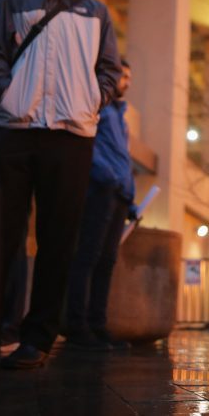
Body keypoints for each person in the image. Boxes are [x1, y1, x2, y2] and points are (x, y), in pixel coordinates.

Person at [0, 0, 122, 369]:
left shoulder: (95, 10)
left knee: (59, 240)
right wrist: (5, 92)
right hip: (13, 130)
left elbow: (110, 69)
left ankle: (36, 338)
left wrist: (91, 100)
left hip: (71, 135)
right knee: (2, 235)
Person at [64, 58, 136, 351]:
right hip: (100, 189)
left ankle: (97, 325)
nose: (126, 81)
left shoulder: (120, 115)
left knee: (106, 262)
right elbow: (85, 145)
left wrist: (130, 195)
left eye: (129, 77)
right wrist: (106, 177)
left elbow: (123, 158)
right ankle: (77, 325)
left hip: (118, 194)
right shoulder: (95, 104)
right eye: (122, 75)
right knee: (88, 257)